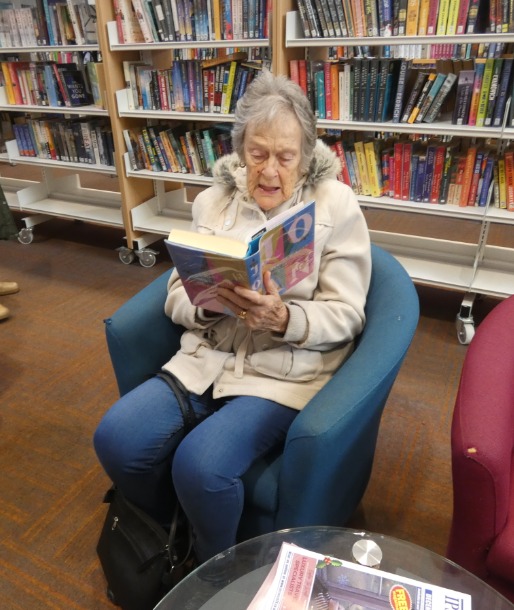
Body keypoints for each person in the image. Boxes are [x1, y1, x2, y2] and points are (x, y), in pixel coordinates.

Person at [94, 70, 372, 565]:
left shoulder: (336, 205)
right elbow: (175, 294)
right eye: (257, 154)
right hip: (207, 358)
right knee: (116, 439)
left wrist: (284, 319)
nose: (270, 172)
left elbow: (348, 315)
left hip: (280, 373)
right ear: (240, 149)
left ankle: (213, 568)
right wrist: (206, 302)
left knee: (201, 466)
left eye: (285, 157)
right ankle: (170, 530)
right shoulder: (213, 203)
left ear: (307, 155)